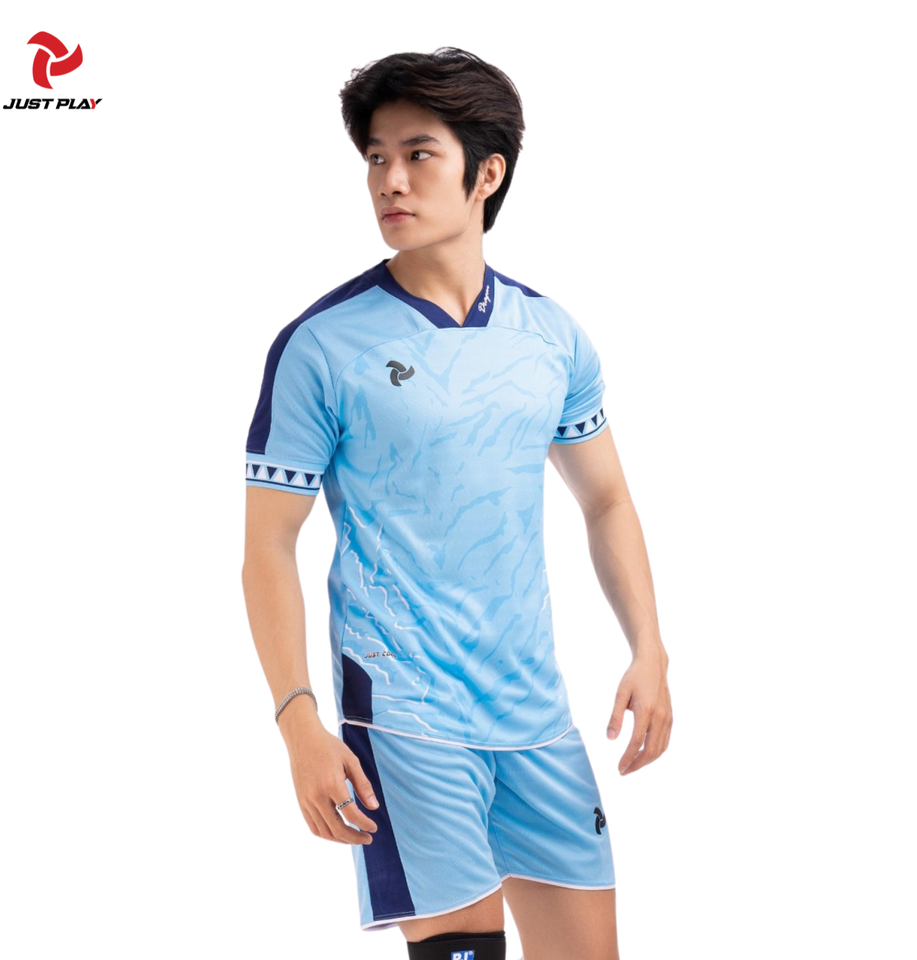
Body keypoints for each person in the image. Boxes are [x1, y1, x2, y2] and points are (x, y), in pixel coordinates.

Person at [242, 47, 672, 960]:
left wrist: (649, 647)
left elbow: (606, 498)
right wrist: (298, 721)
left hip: (536, 717)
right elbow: (268, 545)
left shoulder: (552, 336)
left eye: (418, 154)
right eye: (375, 157)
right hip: (408, 718)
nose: (389, 180)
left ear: (488, 173)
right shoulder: (321, 347)